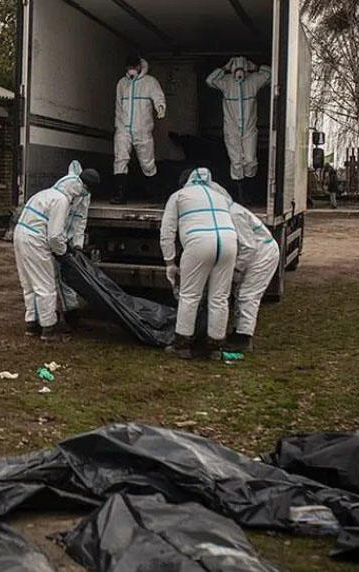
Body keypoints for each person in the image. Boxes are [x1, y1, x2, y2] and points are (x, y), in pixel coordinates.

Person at [15, 165, 100, 341]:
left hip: (20, 235)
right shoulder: (61, 201)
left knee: (30, 283)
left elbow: (76, 222)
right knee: (45, 285)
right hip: (37, 241)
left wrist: (74, 244)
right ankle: (48, 329)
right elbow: (54, 236)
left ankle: (32, 325)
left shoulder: (46, 194)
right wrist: (62, 253)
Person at [160, 167, 238, 359]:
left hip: (198, 242)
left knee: (189, 295)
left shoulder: (178, 196)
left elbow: (167, 231)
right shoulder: (220, 195)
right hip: (229, 241)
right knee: (219, 297)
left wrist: (170, 262)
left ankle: (183, 345)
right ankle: (215, 347)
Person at [206, 57, 272, 184]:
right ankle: (238, 188)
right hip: (232, 128)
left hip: (249, 128)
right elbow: (210, 80)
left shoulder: (254, 80)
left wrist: (256, 67)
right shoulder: (226, 82)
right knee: (236, 162)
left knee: (250, 160)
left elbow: (271, 75)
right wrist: (224, 68)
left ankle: (250, 183)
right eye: (236, 67)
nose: (239, 71)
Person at [113, 55, 166, 204]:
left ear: (139, 66)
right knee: (120, 159)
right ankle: (120, 195)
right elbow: (118, 106)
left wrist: (160, 107)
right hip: (123, 129)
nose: (131, 70)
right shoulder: (122, 84)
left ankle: (154, 194)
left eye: (133, 67)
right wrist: (118, 125)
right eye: (128, 67)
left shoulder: (150, 82)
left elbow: (158, 97)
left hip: (142, 129)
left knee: (147, 162)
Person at [227, 202, 280, 352]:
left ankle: (244, 338)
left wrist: (237, 269)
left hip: (262, 254)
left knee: (248, 295)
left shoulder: (234, 214)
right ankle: (238, 331)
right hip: (256, 252)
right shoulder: (230, 210)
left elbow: (248, 247)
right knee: (240, 294)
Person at [56, 160, 92, 329]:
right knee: (51, 277)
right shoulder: (66, 187)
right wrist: (59, 245)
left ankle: (71, 312)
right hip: (55, 237)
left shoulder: (85, 194)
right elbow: (57, 220)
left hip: (67, 239)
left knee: (65, 276)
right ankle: (49, 317)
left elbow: (81, 219)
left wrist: (77, 244)